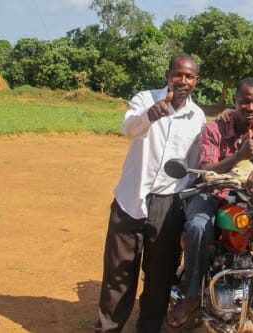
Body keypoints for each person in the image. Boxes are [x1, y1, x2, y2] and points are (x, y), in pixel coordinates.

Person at [95, 54, 206, 333]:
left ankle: (148, 327)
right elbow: (128, 129)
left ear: (196, 81)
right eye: (178, 74)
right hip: (130, 198)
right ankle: (108, 328)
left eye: (189, 76)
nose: (183, 81)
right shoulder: (145, 99)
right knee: (118, 274)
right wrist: (151, 115)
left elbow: (194, 167)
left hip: (168, 205)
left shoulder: (199, 117)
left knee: (159, 277)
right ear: (168, 74)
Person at [167, 77, 253, 328]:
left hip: (243, 196)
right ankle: (191, 295)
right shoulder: (215, 128)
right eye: (245, 102)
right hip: (210, 193)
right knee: (199, 227)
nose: (250, 108)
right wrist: (239, 156)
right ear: (235, 101)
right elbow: (206, 168)